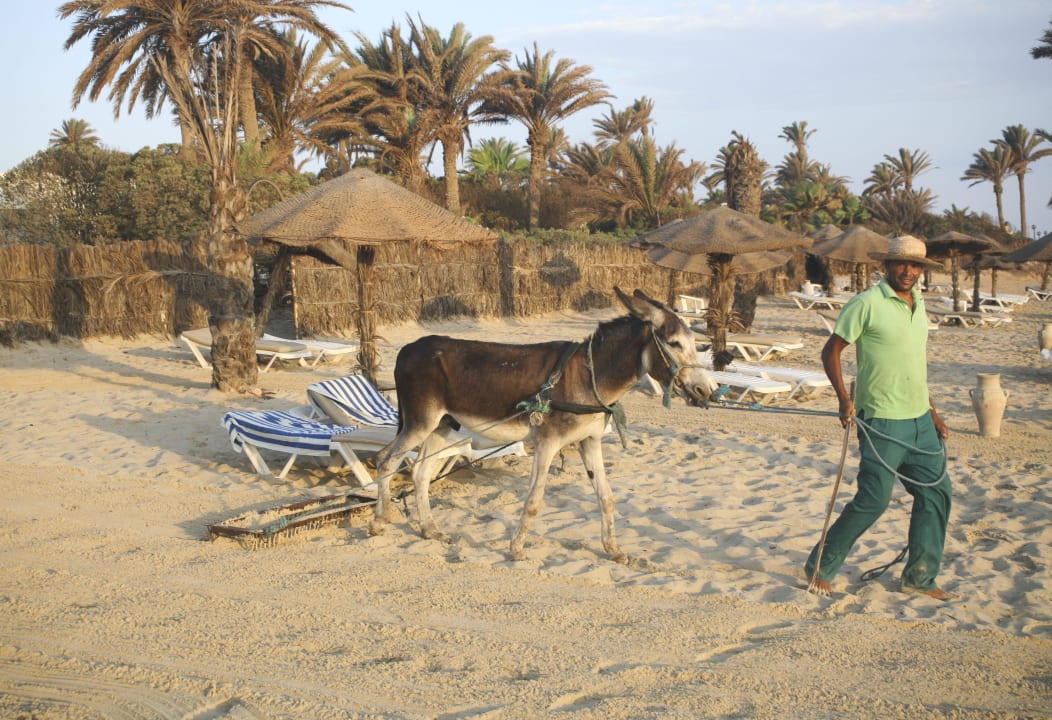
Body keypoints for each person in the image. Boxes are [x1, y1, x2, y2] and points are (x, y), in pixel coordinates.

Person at [805, 235, 953, 601]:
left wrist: (933, 412)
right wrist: (843, 399)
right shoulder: (866, 303)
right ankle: (820, 566)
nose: (908, 271)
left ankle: (920, 577)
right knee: (874, 500)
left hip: (921, 420)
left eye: (915, 265)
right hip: (882, 420)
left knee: (937, 495)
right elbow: (831, 352)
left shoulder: (919, 304)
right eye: (901, 263)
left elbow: (913, 364)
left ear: (922, 270)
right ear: (886, 266)